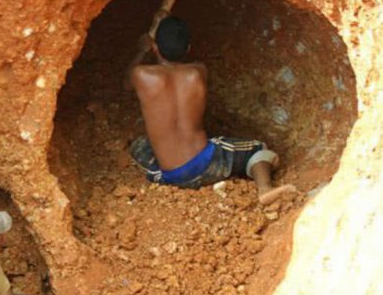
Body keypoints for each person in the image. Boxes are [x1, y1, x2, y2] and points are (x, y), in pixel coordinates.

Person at [125, 12, 295, 204]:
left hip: (169, 175)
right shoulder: (198, 72)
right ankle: (265, 188)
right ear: (188, 48)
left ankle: (162, 175)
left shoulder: (141, 75)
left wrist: (142, 50)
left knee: (139, 145)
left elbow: (126, 82)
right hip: (208, 165)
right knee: (258, 149)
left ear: (155, 47)